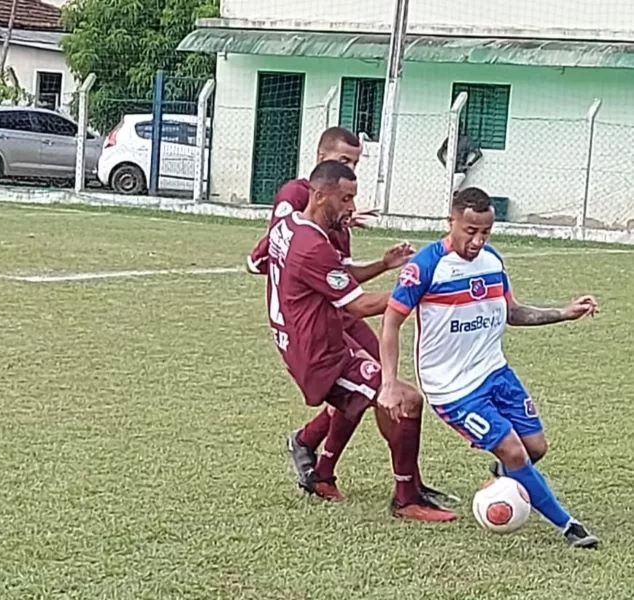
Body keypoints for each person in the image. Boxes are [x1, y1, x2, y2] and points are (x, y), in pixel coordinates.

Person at [377, 186, 600, 547]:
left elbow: (512, 312)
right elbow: (390, 323)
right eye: (470, 231)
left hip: (495, 373)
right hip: (452, 388)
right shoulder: (425, 266)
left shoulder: (493, 261)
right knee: (514, 451)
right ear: (451, 222)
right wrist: (389, 382)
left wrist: (564, 312)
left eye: (485, 232)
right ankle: (569, 526)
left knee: (535, 448)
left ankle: (506, 475)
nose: (478, 240)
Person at [250, 127, 453, 506]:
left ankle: (323, 467)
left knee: (374, 385)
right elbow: (351, 298)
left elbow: (327, 270)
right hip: (316, 335)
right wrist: (417, 292)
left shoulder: (304, 228)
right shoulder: (296, 204)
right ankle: (405, 496)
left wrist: (383, 263)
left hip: (324, 315)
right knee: (397, 395)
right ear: (319, 189)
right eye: (345, 197)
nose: (351, 207)